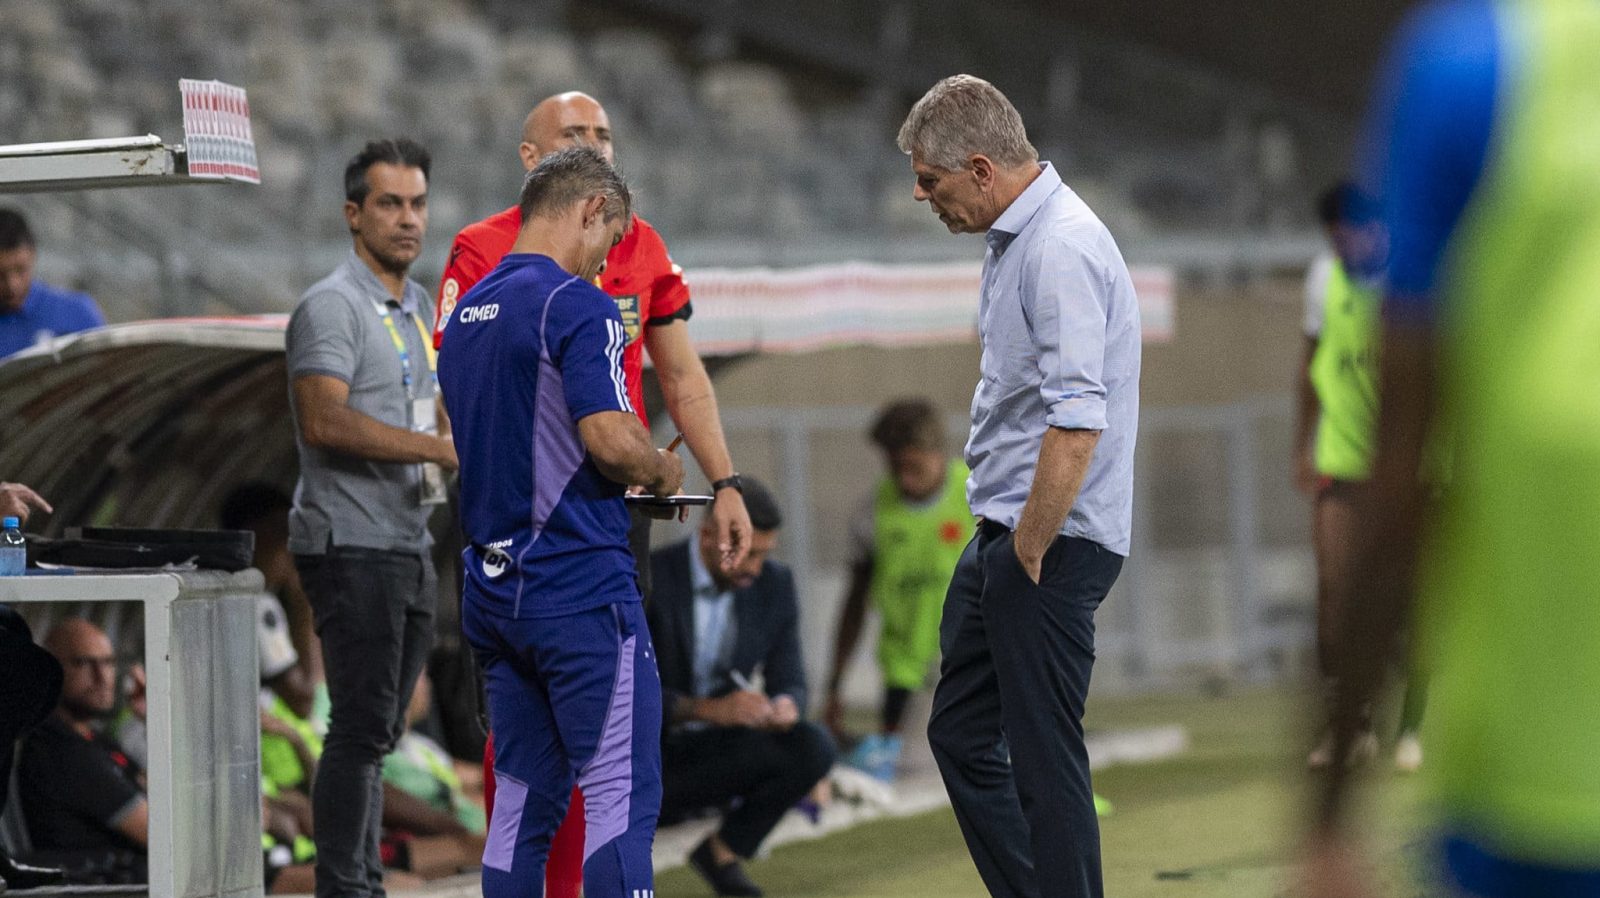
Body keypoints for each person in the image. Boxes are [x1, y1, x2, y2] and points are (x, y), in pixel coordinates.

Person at [1306, 1, 1600, 895]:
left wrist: (1326, 825)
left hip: (1534, 795)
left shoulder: (1474, 64)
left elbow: (1399, 483)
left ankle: (1386, 727)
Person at [436, 89, 752, 898]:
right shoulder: (578, 304)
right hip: (577, 584)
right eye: (606, 238)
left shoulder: (468, 310)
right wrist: (661, 468)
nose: (606, 259)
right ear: (589, 211)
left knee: (520, 804)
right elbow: (609, 439)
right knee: (618, 797)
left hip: (491, 588)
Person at [897, 75, 1140, 898]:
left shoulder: (1060, 247)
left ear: (978, 168)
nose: (922, 195)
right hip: (1008, 533)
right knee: (962, 736)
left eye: (930, 182)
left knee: (1044, 761)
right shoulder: (1017, 241)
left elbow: (1077, 419)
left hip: (1049, 539)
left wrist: (1030, 543)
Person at [285, 137, 458, 898]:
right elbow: (324, 421)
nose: (408, 219)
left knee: (381, 733)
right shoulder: (332, 305)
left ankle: (360, 881)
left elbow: (427, 410)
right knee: (358, 730)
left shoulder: (416, 306)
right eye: (390, 204)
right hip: (350, 540)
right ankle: (346, 888)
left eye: (418, 203)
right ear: (354, 214)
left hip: (405, 537)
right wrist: (438, 447)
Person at [648, 477, 836, 898]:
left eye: (763, 554)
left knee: (812, 745)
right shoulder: (651, 576)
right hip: (643, 757)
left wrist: (785, 705)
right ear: (708, 534)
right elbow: (619, 697)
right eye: (746, 553)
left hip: (713, 754)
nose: (754, 567)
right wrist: (706, 710)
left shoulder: (774, 583)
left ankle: (721, 853)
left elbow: (790, 675)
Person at [1296, 184, 1426, 773]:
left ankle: (1413, 724)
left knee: (1411, 601)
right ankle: (1349, 726)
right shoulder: (1324, 280)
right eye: (1335, 233)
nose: (1344, 242)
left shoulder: (1414, 276)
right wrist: (1302, 442)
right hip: (1342, 458)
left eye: (1354, 229)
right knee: (1334, 588)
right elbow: (1309, 361)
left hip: (1408, 462)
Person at [823, 398, 969, 783]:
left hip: (973, 660)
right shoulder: (873, 510)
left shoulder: (977, 496)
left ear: (937, 453)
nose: (904, 479)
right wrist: (835, 683)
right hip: (904, 671)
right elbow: (855, 602)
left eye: (914, 466)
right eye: (895, 466)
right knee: (902, 774)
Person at [18, 619, 147, 883]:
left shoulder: (91, 738)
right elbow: (163, 833)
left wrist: (150, 718)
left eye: (108, 662)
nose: (102, 676)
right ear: (49, 670)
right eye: (84, 663)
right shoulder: (59, 748)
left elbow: (151, 791)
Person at [0, 208, 105, 358]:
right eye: (1, 275)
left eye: (21, 270)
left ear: (33, 255)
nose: (12, 284)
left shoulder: (76, 312)